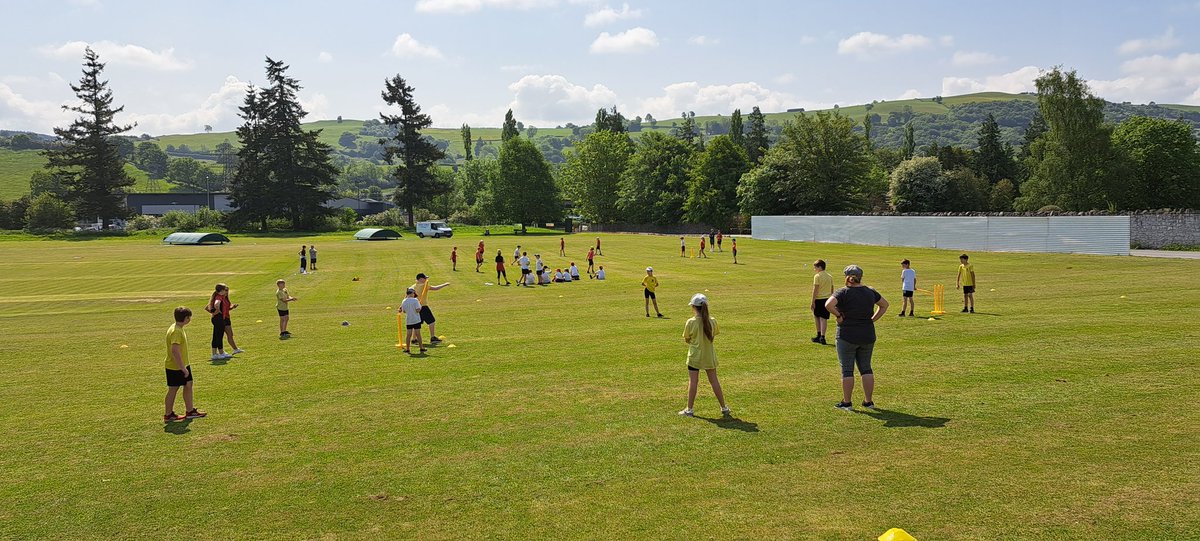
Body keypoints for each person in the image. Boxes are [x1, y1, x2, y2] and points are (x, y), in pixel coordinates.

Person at [825, 265, 888, 410]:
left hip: (847, 335)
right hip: (867, 334)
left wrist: (839, 316)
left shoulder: (843, 292)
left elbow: (828, 304)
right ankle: (868, 401)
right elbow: (884, 305)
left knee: (847, 370)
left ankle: (847, 402)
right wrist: (872, 319)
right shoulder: (870, 291)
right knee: (866, 368)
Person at [678, 293, 730, 417]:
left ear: (693, 307)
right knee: (714, 381)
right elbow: (713, 336)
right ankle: (724, 407)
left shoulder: (690, 322)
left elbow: (687, 338)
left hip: (695, 357)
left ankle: (689, 409)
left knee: (693, 382)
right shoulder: (712, 321)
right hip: (709, 356)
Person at [164, 306, 205, 423]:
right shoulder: (176, 331)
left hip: (182, 364)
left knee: (188, 384)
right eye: (189, 317)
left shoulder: (176, 327)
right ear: (186, 318)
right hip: (176, 366)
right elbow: (175, 351)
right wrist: (182, 368)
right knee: (173, 389)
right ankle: (168, 414)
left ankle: (190, 410)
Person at [205, 283, 242, 360]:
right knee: (218, 336)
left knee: (217, 336)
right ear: (221, 290)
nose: (226, 292)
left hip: (218, 319)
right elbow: (217, 304)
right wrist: (217, 310)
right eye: (225, 290)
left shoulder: (219, 297)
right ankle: (219, 353)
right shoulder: (219, 297)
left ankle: (217, 353)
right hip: (218, 319)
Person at [411, 273, 450, 345]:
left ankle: (414, 339)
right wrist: (445, 284)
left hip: (415, 308)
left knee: (417, 323)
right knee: (432, 322)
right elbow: (435, 288)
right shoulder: (424, 285)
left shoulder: (412, 287)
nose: (426, 279)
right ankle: (432, 338)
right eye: (425, 278)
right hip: (423, 307)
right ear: (421, 279)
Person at [810, 260, 833, 345]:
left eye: (815, 267)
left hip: (819, 299)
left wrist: (812, 301)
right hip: (827, 299)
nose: (814, 269)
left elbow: (815, 290)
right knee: (824, 318)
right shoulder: (829, 276)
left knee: (817, 317)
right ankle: (823, 336)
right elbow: (832, 288)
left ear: (820, 267)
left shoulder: (817, 276)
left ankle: (818, 334)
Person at [399, 287, 425, 354]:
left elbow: (404, 311)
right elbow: (417, 310)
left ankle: (407, 349)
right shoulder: (415, 300)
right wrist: (420, 306)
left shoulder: (404, 301)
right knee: (418, 334)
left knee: (408, 335)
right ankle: (421, 348)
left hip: (409, 320)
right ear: (412, 293)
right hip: (416, 320)